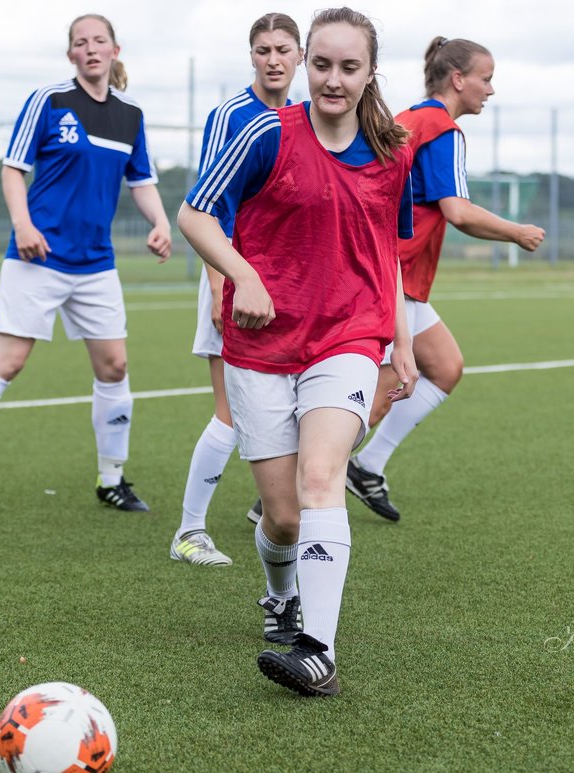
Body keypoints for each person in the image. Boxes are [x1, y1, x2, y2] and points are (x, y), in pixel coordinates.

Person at [178, 6, 417, 697]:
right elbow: (195, 214)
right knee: (282, 516)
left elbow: (387, 254)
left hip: (345, 340)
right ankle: (281, 595)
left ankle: (319, 649)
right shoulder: (263, 135)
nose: (333, 80)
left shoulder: (393, 151)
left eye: (349, 67)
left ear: (371, 73)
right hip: (260, 348)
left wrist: (398, 339)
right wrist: (245, 274)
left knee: (322, 478)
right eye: (322, 65)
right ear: (305, 64)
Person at [0, 14, 171, 521]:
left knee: (115, 367)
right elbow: (13, 169)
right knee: (8, 362)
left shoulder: (130, 115)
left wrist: (160, 221)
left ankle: (111, 479)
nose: (91, 49)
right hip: (37, 258)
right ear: (71, 56)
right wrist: (22, 225)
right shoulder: (49, 101)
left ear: (115, 49)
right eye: (80, 43)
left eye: (99, 41)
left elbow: (141, 180)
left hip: (96, 264)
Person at [344, 36, 545, 522]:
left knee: (445, 367)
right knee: (378, 398)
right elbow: (457, 211)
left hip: (384, 273)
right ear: (459, 79)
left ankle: (366, 466)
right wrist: (517, 231)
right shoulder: (442, 130)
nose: (490, 90)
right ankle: (283, 494)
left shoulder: (405, 120)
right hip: (394, 279)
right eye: (486, 78)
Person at [169, 13, 304, 568]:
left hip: (291, 289)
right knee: (230, 412)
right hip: (235, 282)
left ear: (299, 55)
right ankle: (189, 531)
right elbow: (208, 209)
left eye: (282, 49)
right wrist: (220, 284)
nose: (273, 59)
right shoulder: (230, 116)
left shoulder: (309, 116)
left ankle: (272, 507)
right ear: (251, 56)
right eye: (262, 49)